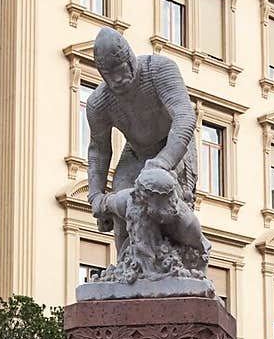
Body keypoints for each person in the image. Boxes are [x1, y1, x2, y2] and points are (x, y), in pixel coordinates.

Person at [85, 27, 198, 256]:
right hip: (136, 152)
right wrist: (96, 194)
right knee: (123, 210)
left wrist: (164, 161)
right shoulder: (98, 103)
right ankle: (128, 271)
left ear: (130, 59)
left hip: (173, 145)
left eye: (120, 69)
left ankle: (185, 261)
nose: (117, 79)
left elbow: (184, 117)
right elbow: (99, 150)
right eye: (109, 74)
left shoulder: (159, 70)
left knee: (168, 205)